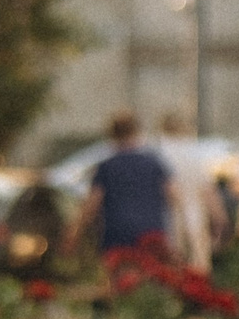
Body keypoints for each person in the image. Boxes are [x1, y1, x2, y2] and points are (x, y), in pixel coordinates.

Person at [69, 112, 174, 257]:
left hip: (117, 234)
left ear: (112, 135)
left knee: (119, 273)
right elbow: (174, 196)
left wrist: (75, 232)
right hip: (151, 232)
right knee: (152, 275)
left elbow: (92, 204)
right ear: (136, 131)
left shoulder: (106, 166)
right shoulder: (154, 163)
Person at [153, 112, 221, 266]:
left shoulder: (157, 154)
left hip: (165, 219)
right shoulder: (193, 154)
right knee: (198, 271)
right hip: (195, 215)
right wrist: (219, 218)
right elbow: (208, 190)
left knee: (170, 271)